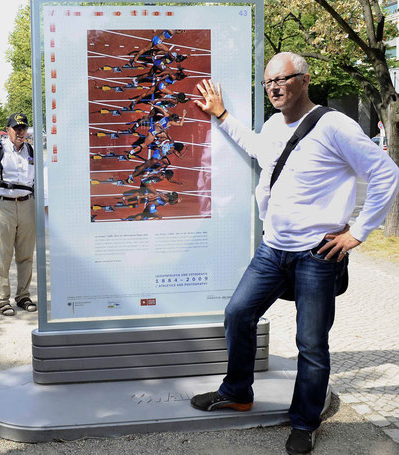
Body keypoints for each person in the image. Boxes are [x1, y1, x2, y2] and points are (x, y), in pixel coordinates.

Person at [190, 52, 399, 455]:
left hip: (317, 254)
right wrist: (222, 115)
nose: (275, 88)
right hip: (273, 248)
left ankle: (305, 422)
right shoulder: (272, 124)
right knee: (238, 313)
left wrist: (358, 232)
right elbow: (258, 149)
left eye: (283, 80)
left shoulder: (335, 126)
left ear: (304, 80)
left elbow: (386, 172)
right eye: (269, 82)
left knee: (311, 342)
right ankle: (237, 392)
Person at [0, 113, 36, 316]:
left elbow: (36, 183)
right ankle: (2, 299)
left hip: (27, 205)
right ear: (8, 130)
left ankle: (23, 295)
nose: (20, 132)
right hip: (2, 206)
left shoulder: (31, 151)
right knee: (2, 254)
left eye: (23, 128)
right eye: (16, 128)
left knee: (26, 254)